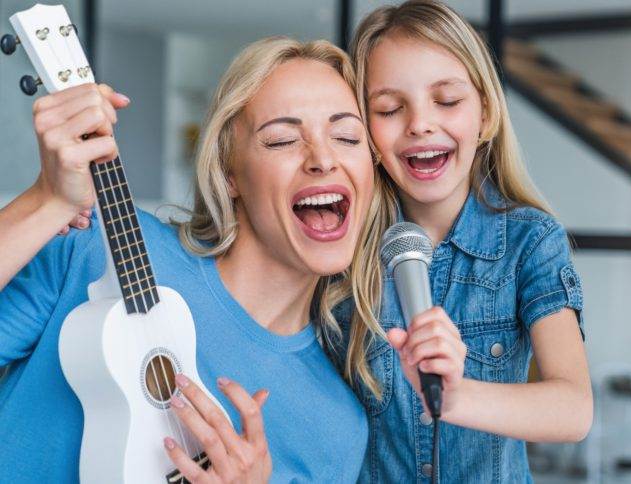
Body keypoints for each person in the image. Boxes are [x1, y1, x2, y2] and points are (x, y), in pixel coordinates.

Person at [0, 37, 375, 482]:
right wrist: (48, 201)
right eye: (282, 140)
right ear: (229, 173)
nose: (323, 158)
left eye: (347, 136)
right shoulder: (94, 242)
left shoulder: (335, 430)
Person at [334, 1, 594, 482]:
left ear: (486, 115)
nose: (419, 123)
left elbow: (573, 409)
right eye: (389, 109)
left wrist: (456, 397)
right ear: (366, 131)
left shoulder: (530, 241)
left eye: (447, 101)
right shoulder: (340, 249)